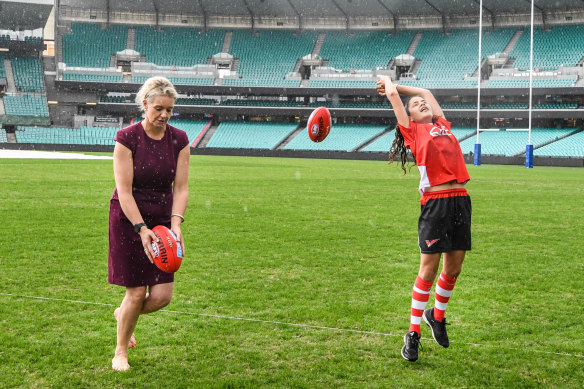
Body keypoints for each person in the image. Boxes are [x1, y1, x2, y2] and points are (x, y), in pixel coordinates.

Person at [376, 76, 471, 362]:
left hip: (460, 201)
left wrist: (410, 90)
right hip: (435, 204)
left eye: (423, 103)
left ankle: (436, 316)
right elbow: (393, 95)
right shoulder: (413, 132)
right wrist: (388, 83)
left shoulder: (442, 125)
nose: (422, 103)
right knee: (428, 270)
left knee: (453, 269)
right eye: (416, 106)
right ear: (411, 118)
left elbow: (426, 91)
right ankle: (413, 333)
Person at [108, 76, 190, 371]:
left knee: (162, 297)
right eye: (158, 109)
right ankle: (120, 352)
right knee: (136, 291)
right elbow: (125, 191)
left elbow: (180, 188)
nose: (164, 115)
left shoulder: (179, 139)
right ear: (145, 105)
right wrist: (140, 229)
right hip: (129, 218)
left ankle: (124, 314)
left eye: (169, 109)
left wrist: (176, 224)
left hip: (162, 219)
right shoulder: (126, 137)